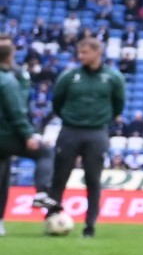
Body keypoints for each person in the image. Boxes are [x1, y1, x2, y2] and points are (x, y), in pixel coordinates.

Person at [46, 34, 126, 239]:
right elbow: (57, 102)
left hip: (97, 133)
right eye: (79, 52)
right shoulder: (69, 76)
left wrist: (101, 119)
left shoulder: (113, 77)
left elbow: (118, 104)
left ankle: (90, 226)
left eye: (85, 52)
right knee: (59, 178)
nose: (81, 56)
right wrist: (70, 118)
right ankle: (53, 219)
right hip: (70, 131)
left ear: (98, 53)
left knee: (93, 179)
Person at [0, 40, 32, 235]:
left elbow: (20, 104)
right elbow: (19, 108)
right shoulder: (11, 78)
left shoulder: (16, 75)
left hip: (6, 134)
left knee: (3, 176)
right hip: (7, 133)